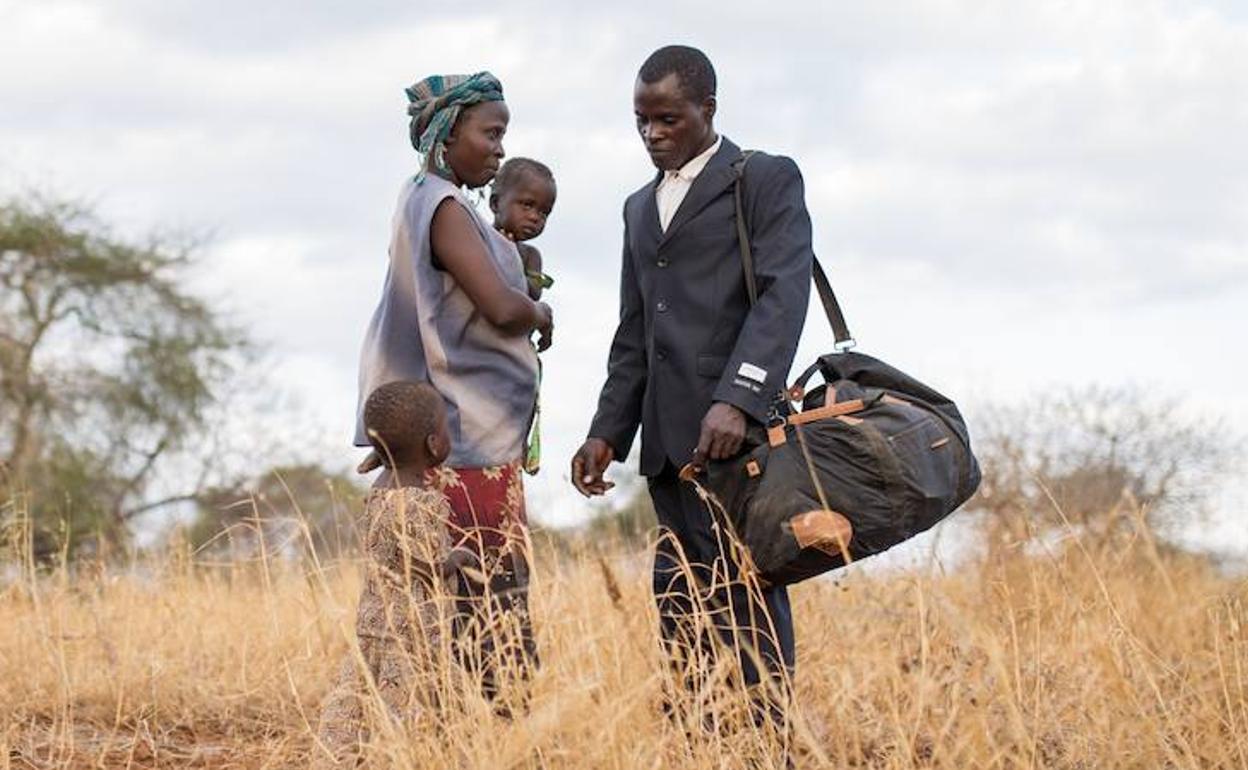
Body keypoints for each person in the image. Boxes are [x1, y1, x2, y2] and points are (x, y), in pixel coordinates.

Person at [571, 45, 814, 728]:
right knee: (679, 595)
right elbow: (634, 331)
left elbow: (781, 296)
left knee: (746, 592)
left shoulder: (761, 179)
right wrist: (606, 433)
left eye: (668, 119)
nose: (653, 134)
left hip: (736, 440)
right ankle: (695, 737)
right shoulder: (636, 208)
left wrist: (739, 398)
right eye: (641, 121)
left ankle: (763, 744)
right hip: (664, 447)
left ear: (707, 109)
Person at [354, 71, 550, 713]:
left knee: (456, 605)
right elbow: (498, 308)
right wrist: (540, 314)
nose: (499, 151)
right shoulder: (443, 206)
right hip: (468, 442)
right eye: (490, 134)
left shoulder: (419, 199)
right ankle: (501, 732)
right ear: (447, 133)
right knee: (492, 606)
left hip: (453, 435)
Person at [314, 380, 460, 768]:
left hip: (374, 617)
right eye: (446, 429)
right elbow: (425, 567)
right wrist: (458, 559)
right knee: (408, 703)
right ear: (432, 444)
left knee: (359, 696)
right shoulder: (420, 502)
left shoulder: (379, 492)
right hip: (411, 628)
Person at [490, 157, 557, 300]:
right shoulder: (477, 236)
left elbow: (534, 293)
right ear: (496, 203)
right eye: (527, 205)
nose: (535, 217)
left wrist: (511, 258)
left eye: (544, 213)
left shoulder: (530, 255)